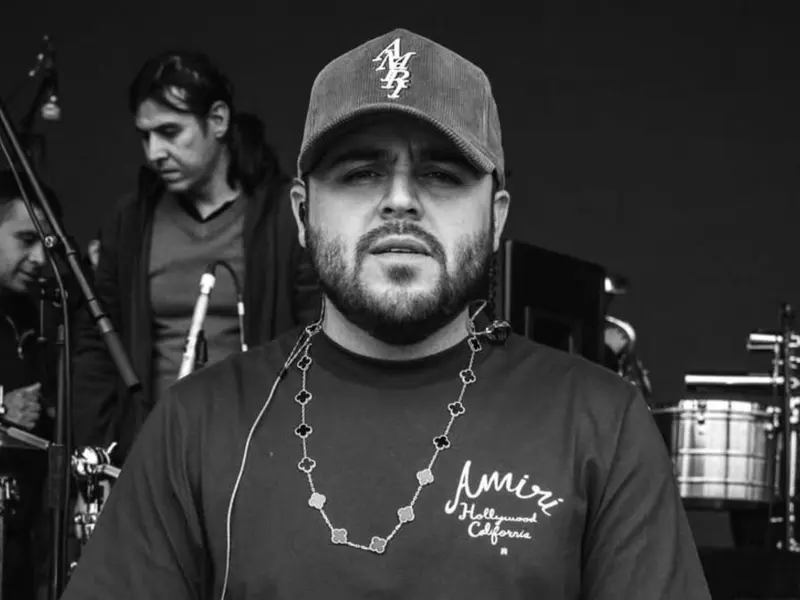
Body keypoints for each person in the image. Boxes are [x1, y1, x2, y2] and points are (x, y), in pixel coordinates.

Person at [61, 30, 711, 599]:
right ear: (301, 213)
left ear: (497, 218)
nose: (400, 200)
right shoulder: (193, 426)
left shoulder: (603, 424)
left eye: (442, 174)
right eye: (360, 172)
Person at [70, 51, 320, 473]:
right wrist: (100, 455)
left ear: (218, 120)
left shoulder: (282, 217)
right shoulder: (130, 222)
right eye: (145, 136)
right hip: (154, 454)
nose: (155, 152)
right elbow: (96, 347)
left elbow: (318, 333)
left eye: (170, 132)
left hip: (260, 455)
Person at [0, 169, 59, 600]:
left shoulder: (30, 310)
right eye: (25, 240)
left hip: (22, 537)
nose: (39, 258)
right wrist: (2, 409)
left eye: (46, 244)